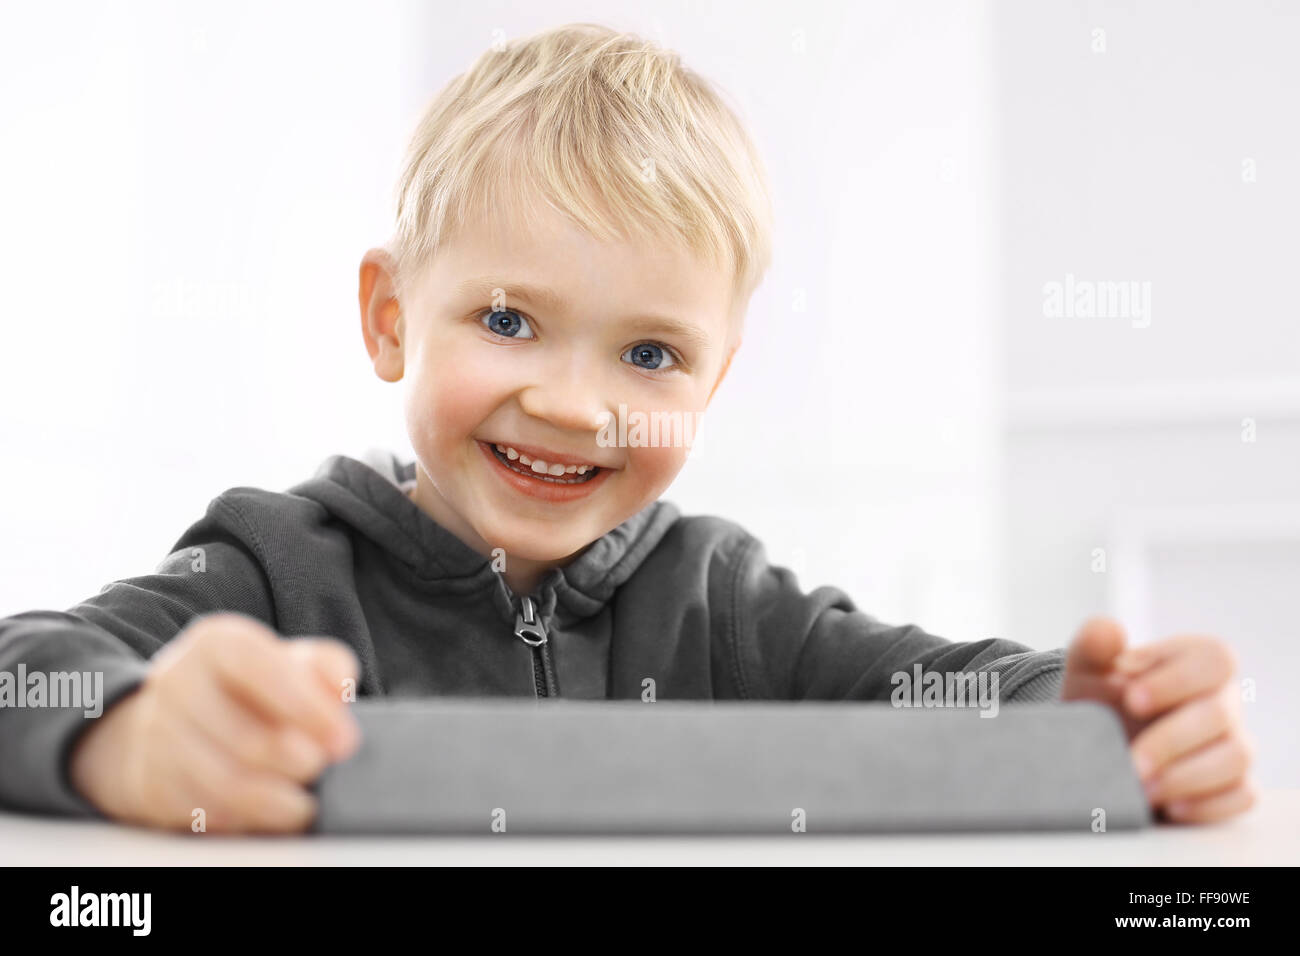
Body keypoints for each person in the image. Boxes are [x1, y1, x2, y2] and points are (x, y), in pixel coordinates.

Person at [0, 23, 1254, 833]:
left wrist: (1089, 717)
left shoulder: (728, 603)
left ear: (713, 380)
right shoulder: (274, 570)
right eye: (506, 319)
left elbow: (944, 685)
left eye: (650, 353)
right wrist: (127, 733)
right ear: (389, 317)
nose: (572, 402)